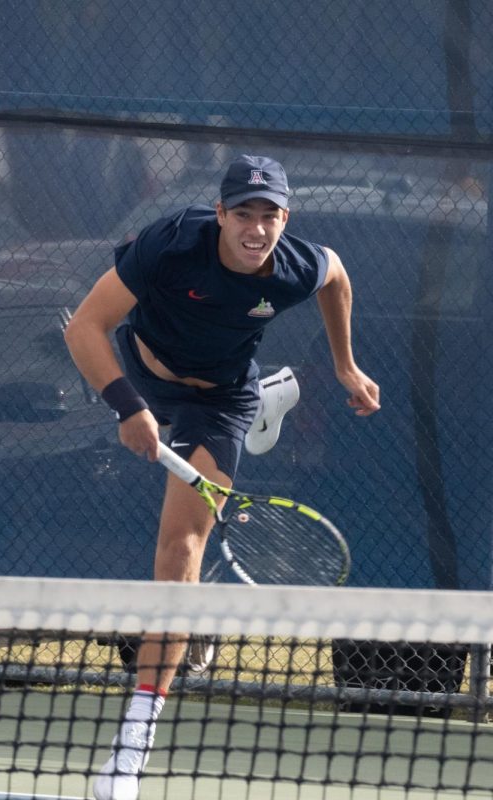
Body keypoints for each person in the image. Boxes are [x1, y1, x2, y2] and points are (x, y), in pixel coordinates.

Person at [63, 154, 381, 800]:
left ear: (285, 219)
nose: (256, 228)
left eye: (270, 216)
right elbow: (86, 327)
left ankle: (131, 749)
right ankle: (262, 403)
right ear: (220, 214)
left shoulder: (294, 265)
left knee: (179, 555)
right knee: (171, 528)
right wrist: (129, 407)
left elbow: (337, 276)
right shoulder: (172, 244)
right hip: (146, 372)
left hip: (220, 403)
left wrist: (346, 366)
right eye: (243, 214)